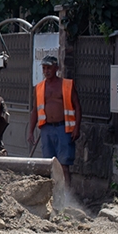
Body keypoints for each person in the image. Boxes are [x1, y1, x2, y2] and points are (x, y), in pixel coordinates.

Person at [26, 55, 81, 187]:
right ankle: (52, 195)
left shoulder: (67, 85)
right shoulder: (39, 88)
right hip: (46, 130)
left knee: (64, 165)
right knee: (48, 164)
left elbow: (77, 106)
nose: (46, 71)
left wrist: (77, 127)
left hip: (63, 128)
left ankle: (67, 196)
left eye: (49, 68)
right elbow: (35, 110)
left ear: (56, 68)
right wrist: (31, 131)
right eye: (44, 68)